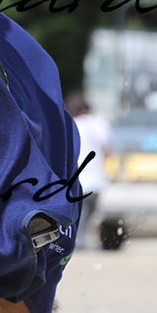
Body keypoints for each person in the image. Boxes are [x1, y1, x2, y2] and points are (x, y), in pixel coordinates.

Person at [65, 91, 113, 248]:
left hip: (78, 181)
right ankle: (83, 243)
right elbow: (108, 151)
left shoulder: (72, 124)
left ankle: (79, 245)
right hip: (98, 180)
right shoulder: (100, 123)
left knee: (79, 219)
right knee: (87, 219)